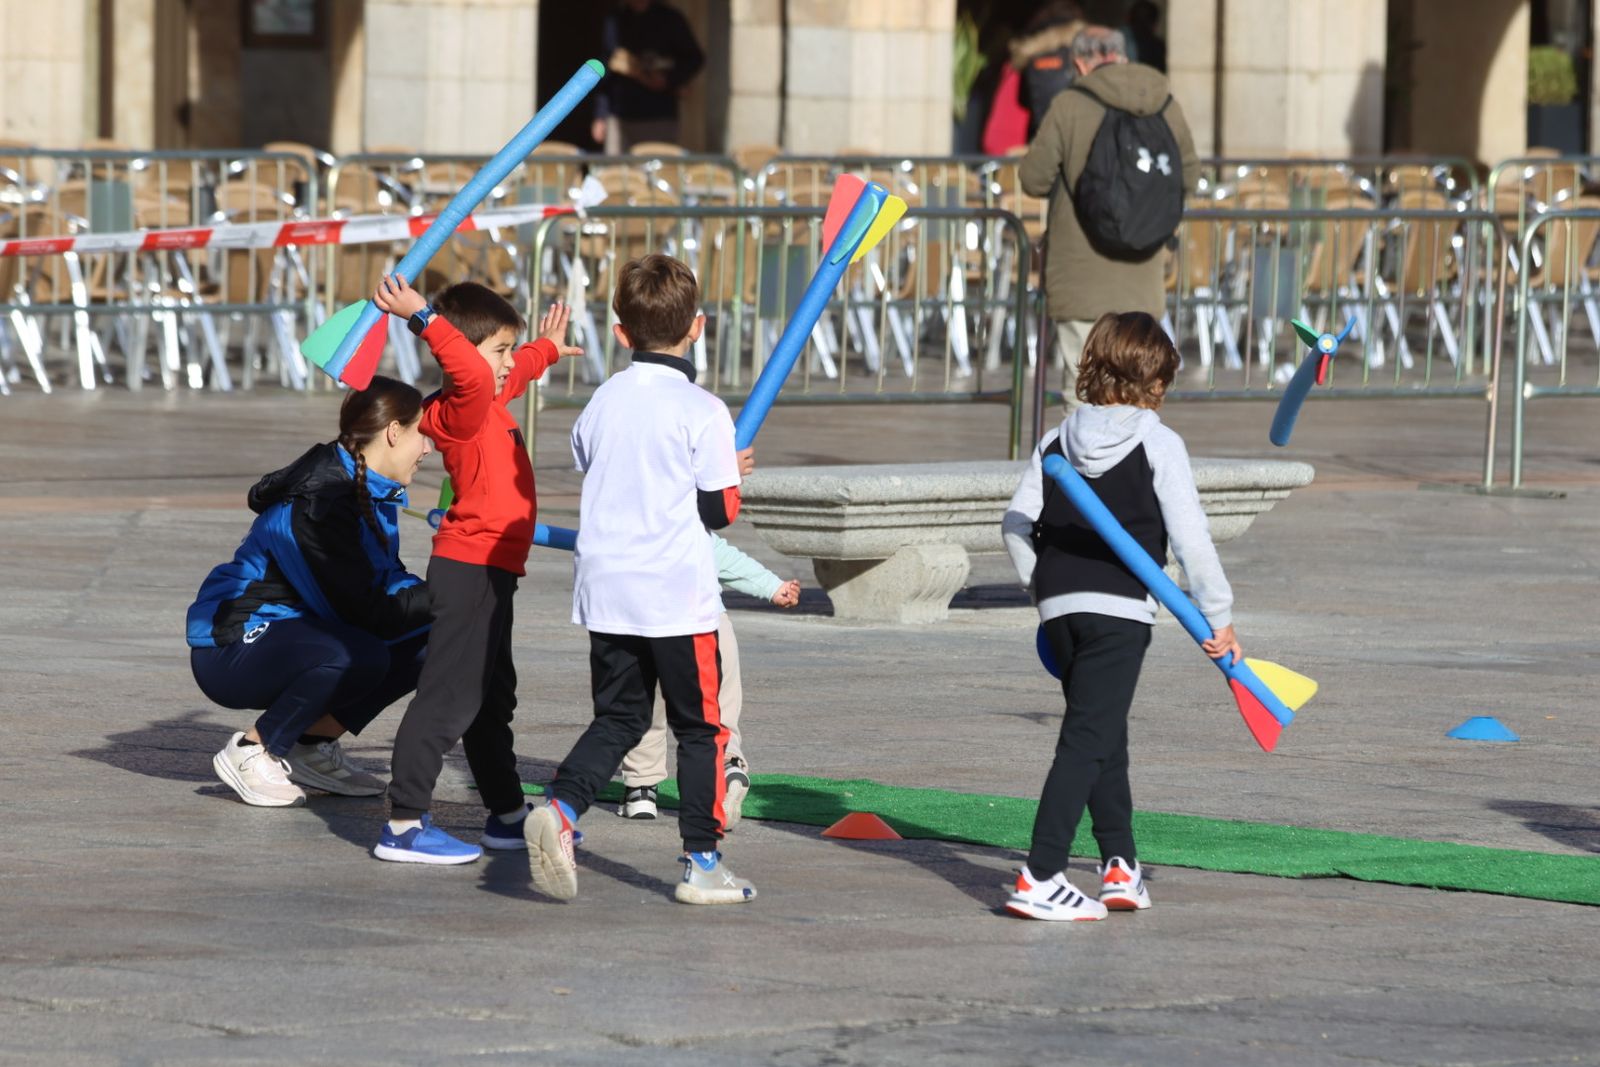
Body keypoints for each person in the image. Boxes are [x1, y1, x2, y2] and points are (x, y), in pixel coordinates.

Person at [526, 253, 755, 906]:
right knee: (700, 728)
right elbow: (720, 511)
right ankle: (703, 859)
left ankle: (563, 810)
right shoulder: (704, 409)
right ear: (699, 327)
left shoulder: (602, 399)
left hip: (606, 586)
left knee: (621, 715)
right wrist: (728, 470)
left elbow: (586, 456)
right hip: (676, 594)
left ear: (621, 334)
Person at [999, 311, 1241, 921]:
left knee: (1103, 728)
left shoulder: (1056, 439)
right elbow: (1191, 538)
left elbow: (1016, 523)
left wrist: (1042, 587)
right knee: (1086, 737)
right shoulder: (1159, 441)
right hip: (1120, 611)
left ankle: (1120, 866)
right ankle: (1042, 873)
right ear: (1157, 381)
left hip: (1061, 609)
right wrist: (1219, 616)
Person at [368, 276, 582, 864]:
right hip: (468, 568)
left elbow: (504, 373)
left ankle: (507, 816)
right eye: (499, 350)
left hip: (492, 572)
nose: (508, 365)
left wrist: (544, 350)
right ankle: (405, 824)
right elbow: (467, 368)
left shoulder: (485, 394)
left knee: (491, 698)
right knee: (449, 697)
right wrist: (421, 317)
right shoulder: (463, 405)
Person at [187, 377, 435, 808]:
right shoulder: (318, 506)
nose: (428, 448)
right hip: (231, 647)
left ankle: (310, 746)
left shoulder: (370, 491)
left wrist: (443, 596)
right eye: (421, 433)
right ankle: (253, 750)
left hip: (301, 632)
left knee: (431, 636)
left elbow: (386, 581)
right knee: (358, 651)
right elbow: (364, 610)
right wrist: (451, 591)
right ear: (394, 432)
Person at [1019, 26, 1198, 414]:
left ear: (1080, 62)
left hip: (1080, 275)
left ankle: (1083, 473)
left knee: (1081, 391)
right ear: (1123, 55)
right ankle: (1132, 470)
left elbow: (1033, 179)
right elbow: (1192, 176)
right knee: (1139, 390)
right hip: (1142, 275)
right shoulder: (1164, 102)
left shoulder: (1070, 103)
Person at [617, 534, 800, 826]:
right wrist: (772, 587)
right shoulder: (692, 516)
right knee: (717, 708)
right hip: (711, 623)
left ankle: (641, 787)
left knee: (647, 704)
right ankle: (729, 765)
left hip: (648, 622)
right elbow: (724, 556)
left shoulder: (630, 518)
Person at [590, 0, 705, 151]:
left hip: (658, 115)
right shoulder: (616, 18)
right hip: (620, 116)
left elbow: (694, 58)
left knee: (656, 170)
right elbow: (607, 69)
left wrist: (669, 79)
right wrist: (601, 114)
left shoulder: (669, 18)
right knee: (617, 172)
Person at [981, 1, 1085, 155]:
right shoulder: (1083, 57)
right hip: (1075, 146)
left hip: (1038, 145)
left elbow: (1021, 101)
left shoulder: (1027, 59)